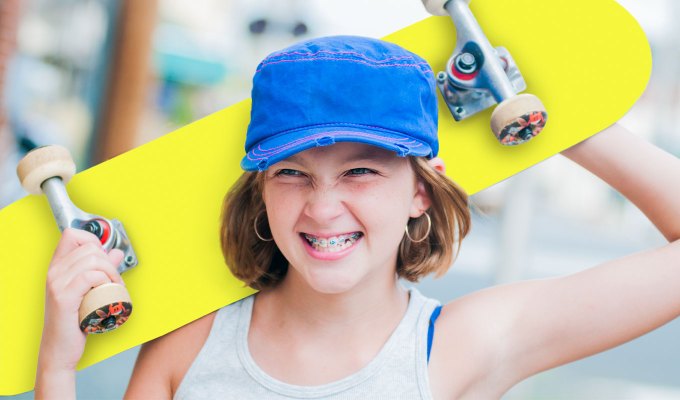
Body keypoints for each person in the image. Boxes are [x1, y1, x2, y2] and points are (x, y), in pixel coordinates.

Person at [35, 36, 680, 399]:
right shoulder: (190, 343)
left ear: (421, 192)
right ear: (261, 192)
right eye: (292, 172)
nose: (321, 206)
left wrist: (544, 120)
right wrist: (57, 368)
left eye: (361, 171)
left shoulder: (462, 346)